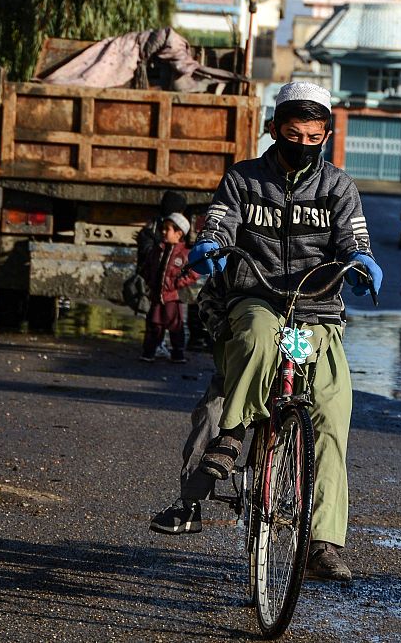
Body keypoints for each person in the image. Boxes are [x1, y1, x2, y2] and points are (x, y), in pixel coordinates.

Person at [188, 81, 383, 581]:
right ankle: (230, 436)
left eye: (313, 136)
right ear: (274, 130)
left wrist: (361, 260)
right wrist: (210, 243)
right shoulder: (244, 179)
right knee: (254, 336)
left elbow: (353, 235)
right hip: (258, 297)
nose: (302, 143)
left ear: (327, 136)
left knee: (333, 412)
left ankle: (322, 542)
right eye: (292, 133)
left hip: (314, 310)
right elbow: (220, 223)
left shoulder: (338, 187)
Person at [149, 273, 228, 534]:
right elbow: (207, 299)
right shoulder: (242, 254)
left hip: (300, 352)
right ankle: (190, 502)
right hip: (240, 361)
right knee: (212, 412)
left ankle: (321, 534)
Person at [140, 212, 199, 363]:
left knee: (175, 325)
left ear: (179, 233)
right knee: (154, 324)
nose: (164, 232)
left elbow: (193, 274)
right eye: (163, 229)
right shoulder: (158, 250)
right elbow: (147, 267)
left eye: (168, 229)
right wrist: (149, 281)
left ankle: (178, 354)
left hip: (172, 297)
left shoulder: (185, 254)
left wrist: (175, 285)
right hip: (156, 295)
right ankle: (149, 352)